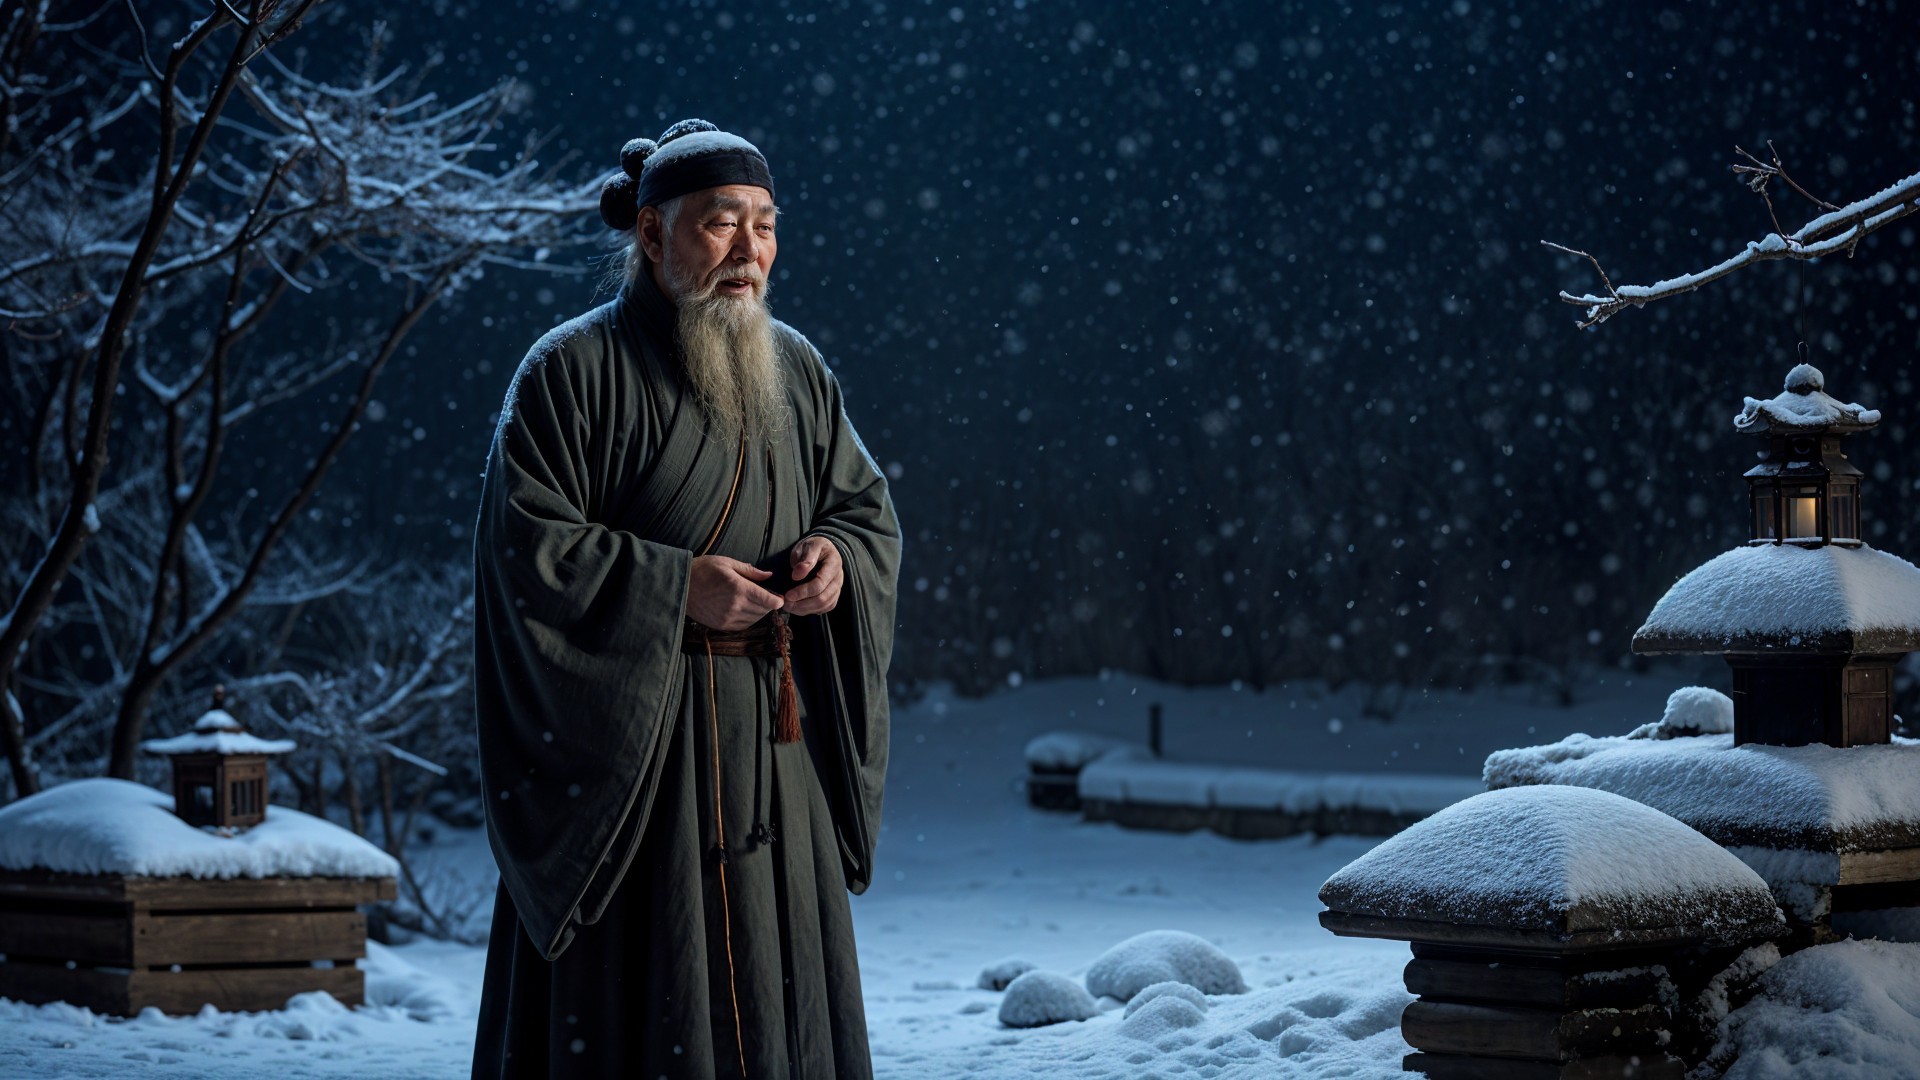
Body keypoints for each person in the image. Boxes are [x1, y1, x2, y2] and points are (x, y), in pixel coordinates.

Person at [470, 119, 900, 1079]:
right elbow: (526, 553)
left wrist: (836, 555)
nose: (750, 251)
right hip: (635, 759)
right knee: (645, 997)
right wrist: (672, 589)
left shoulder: (798, 369)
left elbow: (867, 514)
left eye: (765, 224)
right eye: (719, 224)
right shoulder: (566, 372)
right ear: (652, 234)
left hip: (773, 742)